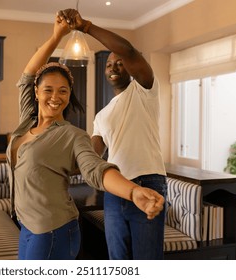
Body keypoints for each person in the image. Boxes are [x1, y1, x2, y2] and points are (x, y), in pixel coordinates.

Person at [5, 12, 165, 260]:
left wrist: (133, 191)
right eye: (48, 89)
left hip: (137, 185)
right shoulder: (31, 120)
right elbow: (28, 76)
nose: (55, 97)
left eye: (63, 91)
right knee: (118, 261)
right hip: (30, 223)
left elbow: (93, 166)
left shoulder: (142, 92)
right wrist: (57, 35)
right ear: (36, 93)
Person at [58, 9, 168, 260]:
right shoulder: (102, 114)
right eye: (108, 64)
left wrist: (85, 26)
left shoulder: (144, 90)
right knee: (118, 261)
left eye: (119, 62)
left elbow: (129, 51)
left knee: (147, 261)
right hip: (115, 189)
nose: (113, 67)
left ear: (131, 67)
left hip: (148, 183)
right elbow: (92, 154)